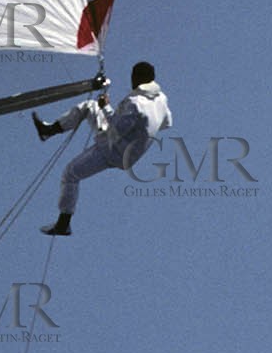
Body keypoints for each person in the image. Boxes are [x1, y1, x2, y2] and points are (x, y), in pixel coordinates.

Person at [33, 60, 172, 236]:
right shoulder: (161, 98)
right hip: (127, 151)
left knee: (70, 173)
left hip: (113, 152)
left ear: (136, 78)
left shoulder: (135, 103)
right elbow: (167, 122)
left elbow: (116, 129)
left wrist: (105, 106)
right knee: (89, 107)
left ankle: (63, 224)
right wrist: (143, 130)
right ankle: (48, 130)